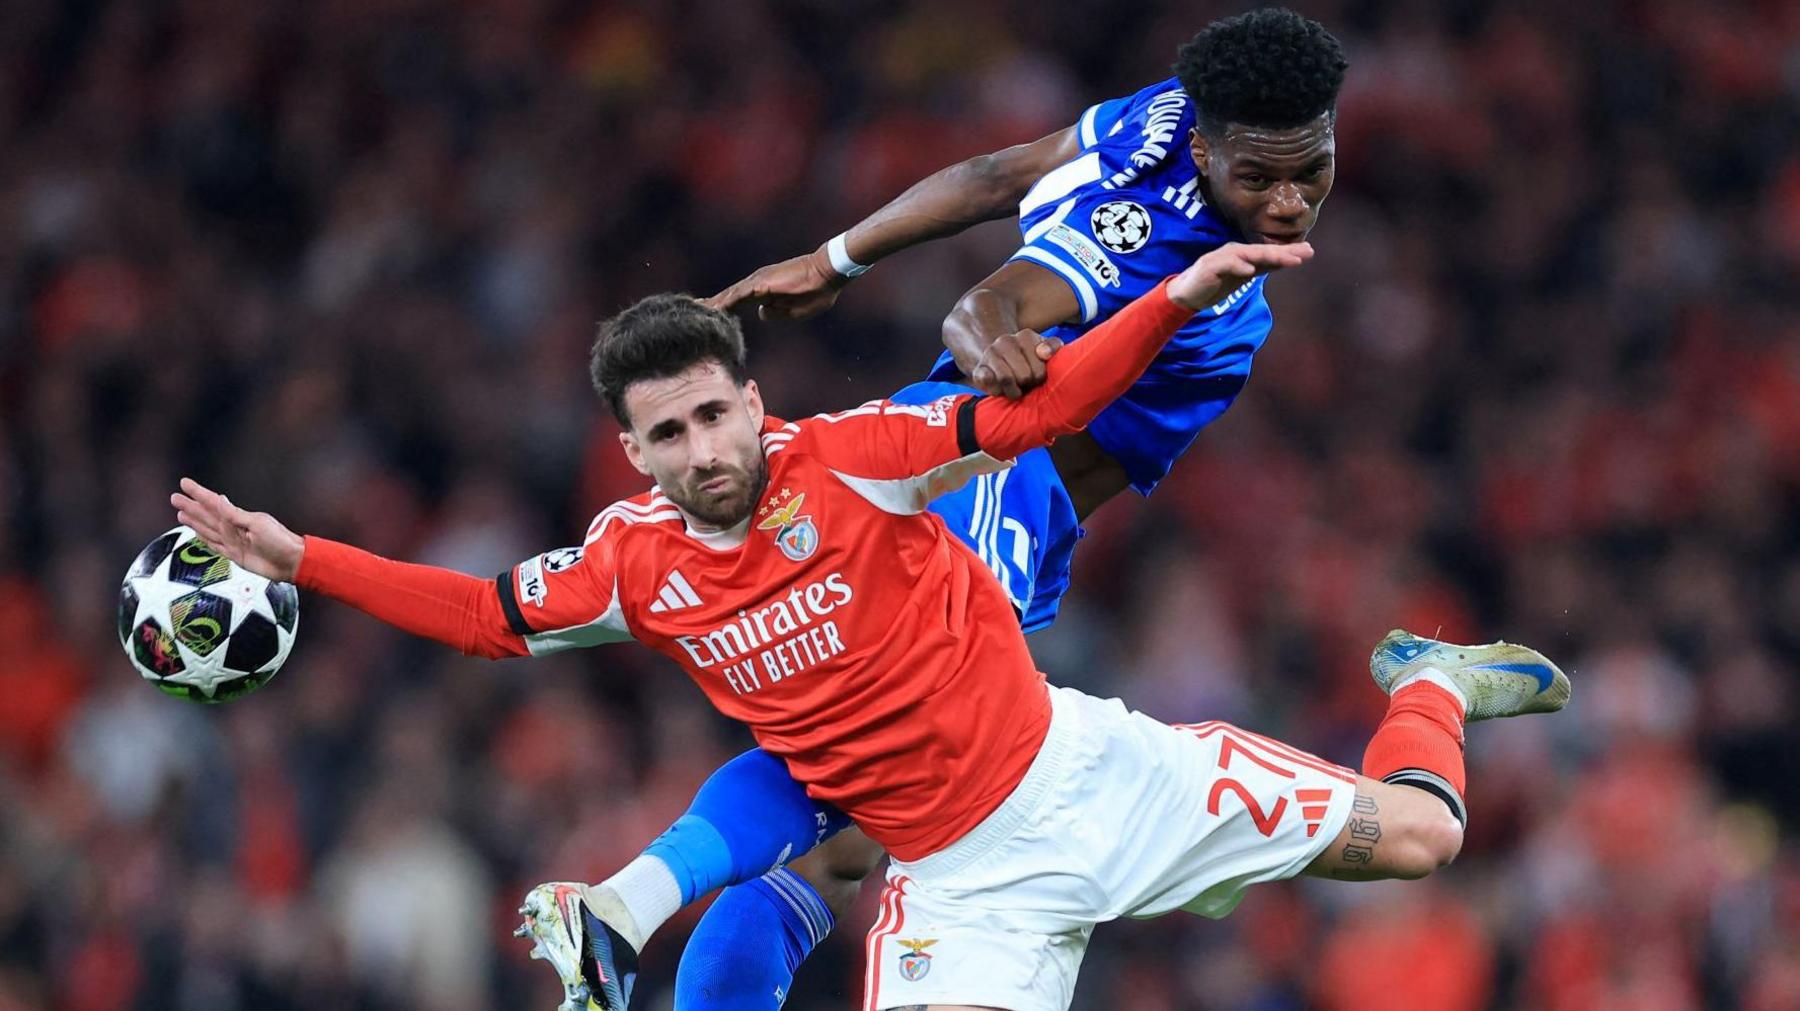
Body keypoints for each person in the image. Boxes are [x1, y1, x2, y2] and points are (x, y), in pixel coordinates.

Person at [172, 242, 1572, 1011]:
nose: (707, 444)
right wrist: (300, 555)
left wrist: (1168, 300)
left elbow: (1033, 414)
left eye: (718, 410)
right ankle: (635, 914)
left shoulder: (853, 451)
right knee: (801, 845)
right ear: (632, 447)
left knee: (1426, 836)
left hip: (1096, 771)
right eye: (671, 431)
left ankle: (1430, 675)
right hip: (964, 890)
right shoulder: (628, 568)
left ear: (748, 393)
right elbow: (480, 614)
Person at [627, 8, 1352, 1006]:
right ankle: (629, 908)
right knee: (866, 808)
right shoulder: (1145, 235)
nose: (1286, 202)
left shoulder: (1173, 112)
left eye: (1308, 171)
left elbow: (1003, 175)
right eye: (1258, 178)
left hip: (1007, 503)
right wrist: (990, 335)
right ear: (1207, 151)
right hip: (986, 490)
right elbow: (990, 305)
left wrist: (837, 258)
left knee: (849, 827)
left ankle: (645, 920)